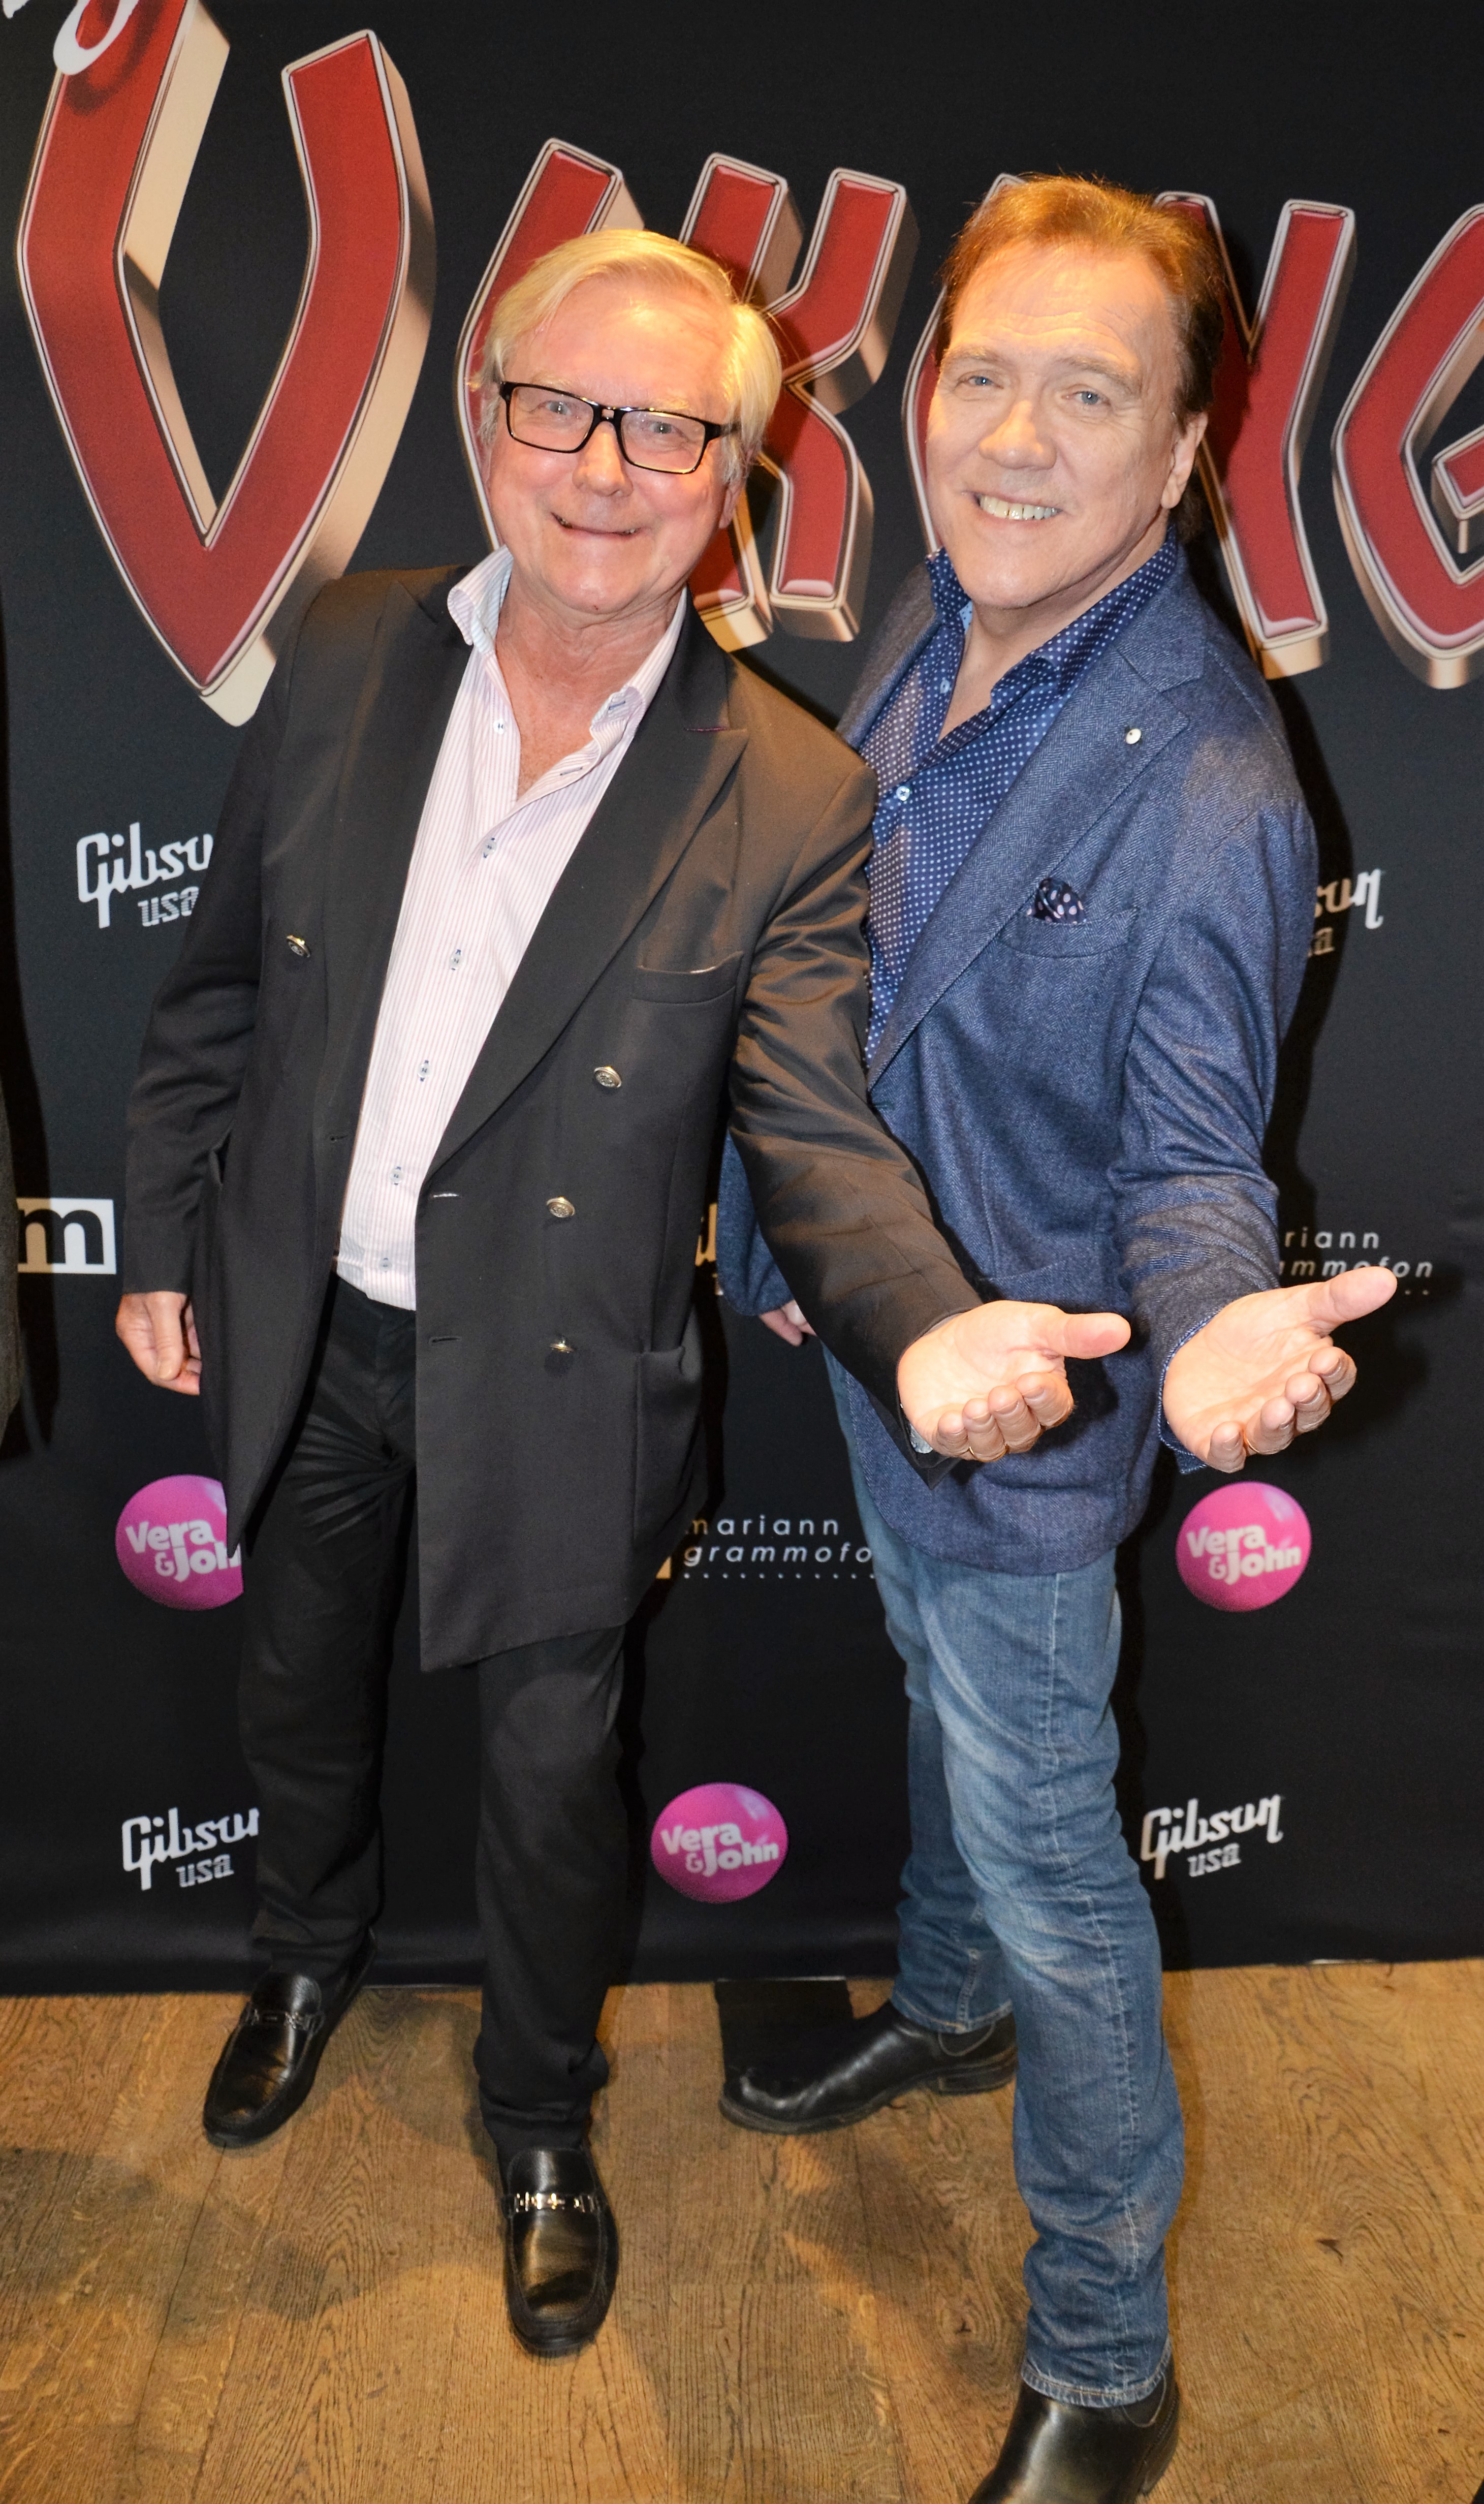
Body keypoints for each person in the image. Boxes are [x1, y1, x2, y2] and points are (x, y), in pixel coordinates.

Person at [116, 227, 1133, 2361]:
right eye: (560, 407)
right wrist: (163, 1230)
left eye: (667, 428)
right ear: (484, 418)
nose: (602, 466)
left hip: (564, 1377)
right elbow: (217, 988)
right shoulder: (346, 649)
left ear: (735, 476)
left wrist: (922, 1317)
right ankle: (298, 1959)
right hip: (306, 1324)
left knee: (551, 1785)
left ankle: (539, 2119)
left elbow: (814, 1127)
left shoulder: (791, 790)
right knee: (294, 1693)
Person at [717, 177, 1395, 2502]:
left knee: (1054, 1862)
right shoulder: (946, 607)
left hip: (1026, 1404)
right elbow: (853, 971)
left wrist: (1201, 1337)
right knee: (933, 1700)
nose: (1012, 438)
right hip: (877, 1322)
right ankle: (943, 2009)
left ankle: (1108, 2352)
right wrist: (806, 1238)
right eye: (980, 374)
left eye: (1086, 393)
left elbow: (1195, 1154)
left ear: (1185, 446)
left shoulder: (1208, 780)